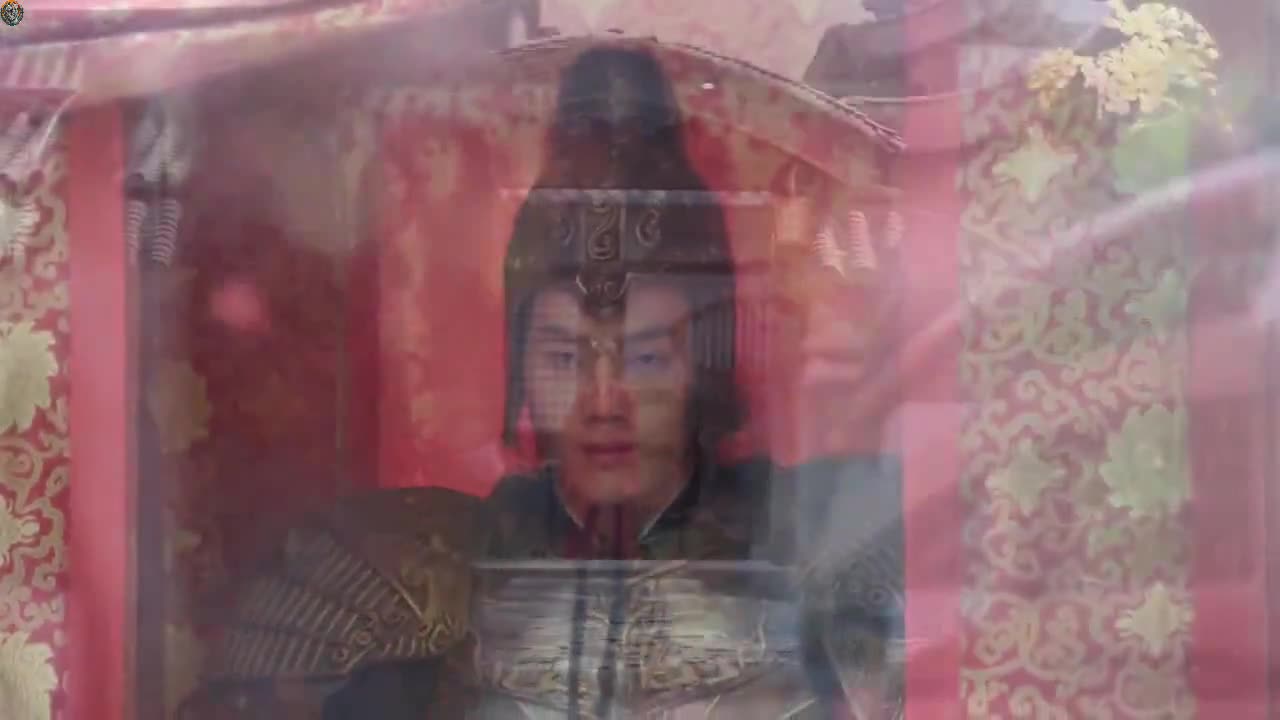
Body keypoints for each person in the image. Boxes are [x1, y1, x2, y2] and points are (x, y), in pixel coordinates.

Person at [182, 42, 904, 720]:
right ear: (521, 365)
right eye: (564, 358)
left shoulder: (820, 541)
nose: (603, 400)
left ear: (703, 367)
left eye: (645, 358)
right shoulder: (401, 572)